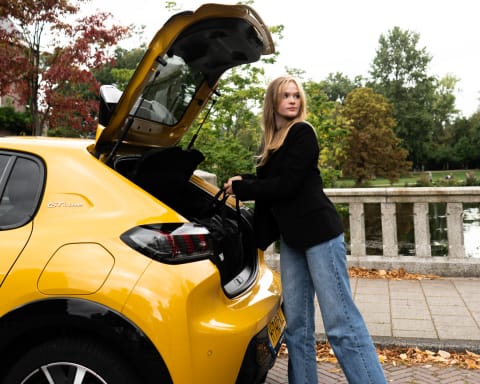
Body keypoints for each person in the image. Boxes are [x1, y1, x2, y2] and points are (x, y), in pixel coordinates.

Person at [224, 75, 387, 384]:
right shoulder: (273, 141)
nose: (292, 100)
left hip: (321, 237)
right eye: (285, 95)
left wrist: (247, 187)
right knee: (297, 327)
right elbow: (275, 179)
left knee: (341, 325)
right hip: (293, 240)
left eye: (296, 95)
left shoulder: (303, 133)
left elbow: (288, 184)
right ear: (273, 100)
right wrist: (242, 180)